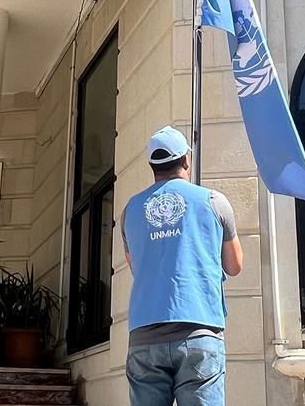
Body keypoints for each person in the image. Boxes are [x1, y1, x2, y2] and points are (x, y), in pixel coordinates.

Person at [122, 126, 243, 406]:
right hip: (198, 331)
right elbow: (234, 265)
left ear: (152, 166)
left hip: (144, 335)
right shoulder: (214, 201)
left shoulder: (130, 210)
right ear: (186, 160)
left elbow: (136, 266)